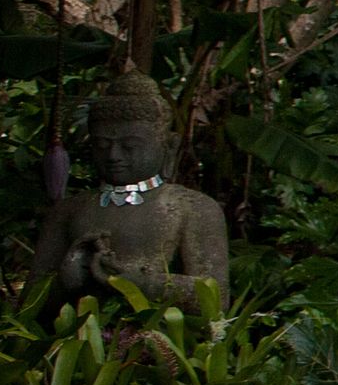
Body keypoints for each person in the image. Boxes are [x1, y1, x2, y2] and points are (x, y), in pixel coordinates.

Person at [30, 68, 229, 309]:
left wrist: (142, 283)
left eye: (130, 146)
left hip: (160, 339)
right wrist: (68, 280)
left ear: (169, 146)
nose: (114, 156)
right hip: (79, 337)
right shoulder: (69, 210)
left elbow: (215, 300)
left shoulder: (192, 208)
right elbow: (29, 304)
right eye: (102, 145)